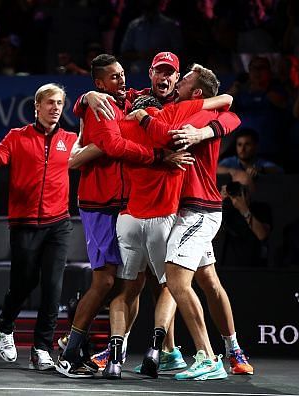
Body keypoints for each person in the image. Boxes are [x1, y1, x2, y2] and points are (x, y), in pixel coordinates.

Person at [76, 57, 254, 377]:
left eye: (177, 75)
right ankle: (168, 351)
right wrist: (86, 97)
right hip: (169, 208)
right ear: (151, 73)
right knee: (164, 281)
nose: (169, 77)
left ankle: (226, 351)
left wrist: (200, 133)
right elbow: (109, 109)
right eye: (161, 70)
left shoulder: (187, 108)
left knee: (195, 281)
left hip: (192, 207)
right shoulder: (142, 98)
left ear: (187, 86)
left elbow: (230, 110)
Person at [56, 54, 179, 379]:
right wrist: (157, 156)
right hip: (98, 204)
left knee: (132, 283)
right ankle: (69, 352)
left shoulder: (130, 101)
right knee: (106, 280)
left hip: (125, 206)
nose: (121, 81)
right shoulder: (99, 108)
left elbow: (155, 96)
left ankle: (113, 353)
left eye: (122, 74)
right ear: (99, 83)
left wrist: (84, 97)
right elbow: (112, 145)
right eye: (112, 78)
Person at [0, 83, 77, 371]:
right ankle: (5, 323)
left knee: (53, 287)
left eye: (59, 103)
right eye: (50, 103)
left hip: (59, 223)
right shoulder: (18, 137)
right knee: (24, 283)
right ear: (37, 106)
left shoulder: (70, 139)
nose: (56, 108)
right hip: (25, 223)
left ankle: (41, 348)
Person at [216, 178, 272, 267]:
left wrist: (244, 209)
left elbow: (262, 235)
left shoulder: (261, 208)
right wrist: (219, 202)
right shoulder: (225, 210)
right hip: (227, 267)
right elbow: (212, 235)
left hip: (254, 267)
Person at [217, 128, 283, 179]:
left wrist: (261, 169)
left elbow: (279, 170)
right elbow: (216, 169)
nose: (242, 149)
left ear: (255, 146)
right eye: (239, 145)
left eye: (247, 144)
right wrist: (235, 172)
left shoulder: (260, 163)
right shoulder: (230, 161)